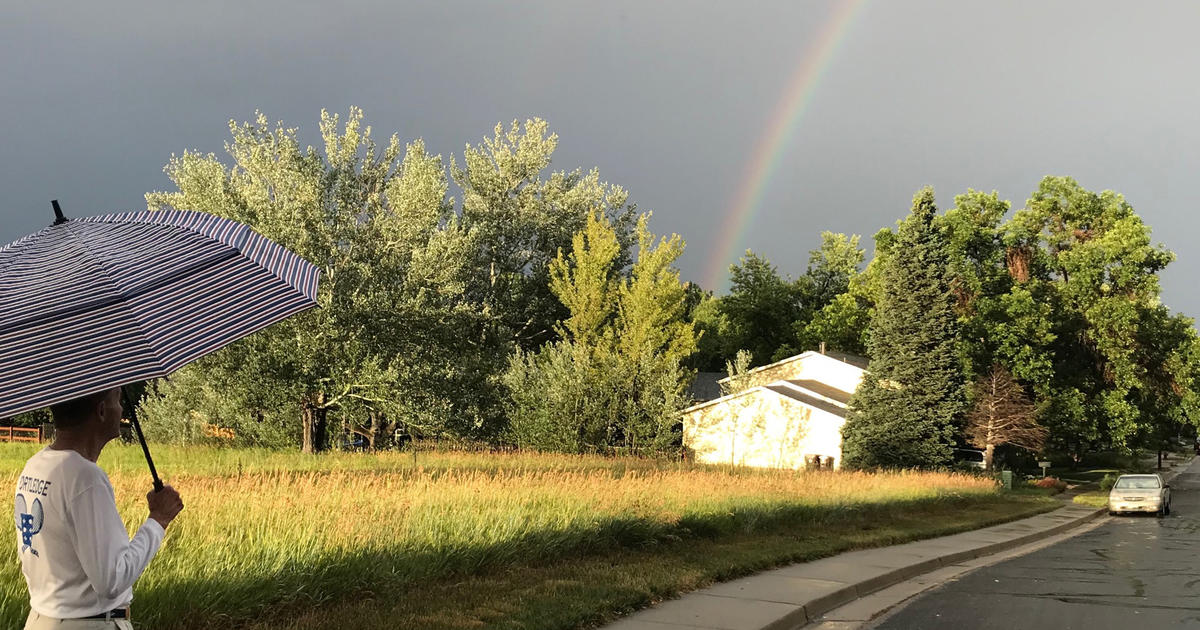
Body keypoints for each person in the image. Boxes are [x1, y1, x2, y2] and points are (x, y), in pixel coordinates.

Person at [14, 387, 183, 629]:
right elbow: (111, 580)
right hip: (86, 623)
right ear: (101, 411)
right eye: (118, 400)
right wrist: (158, 520)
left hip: (42, 619)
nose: (122, 409)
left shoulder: (35, 465)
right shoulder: (85, 478)